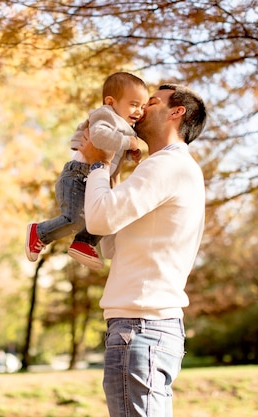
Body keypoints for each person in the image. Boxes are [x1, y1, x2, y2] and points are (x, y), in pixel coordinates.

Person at [78, 83, 207, 417]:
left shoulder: (167, 165)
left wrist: (97, 164)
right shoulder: (167, 169)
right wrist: (112, 175)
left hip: (140, 328)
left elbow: (100, 219)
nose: (139, 110)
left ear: (177, 112)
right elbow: (111, 241)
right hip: (141, 328)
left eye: (151, 102)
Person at [25, 72, 148, 269]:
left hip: (95, 177)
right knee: (74, 219)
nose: (139, 111)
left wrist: (129, 153)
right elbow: (99, 138)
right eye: (134, 104)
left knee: (105, 212)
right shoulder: (105, 115)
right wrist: (128, 142)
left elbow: (111, 151)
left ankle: (84, 242)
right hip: (77, 175)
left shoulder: (126, 128)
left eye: (143, 107)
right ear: (110, 102)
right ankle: (39, 232)